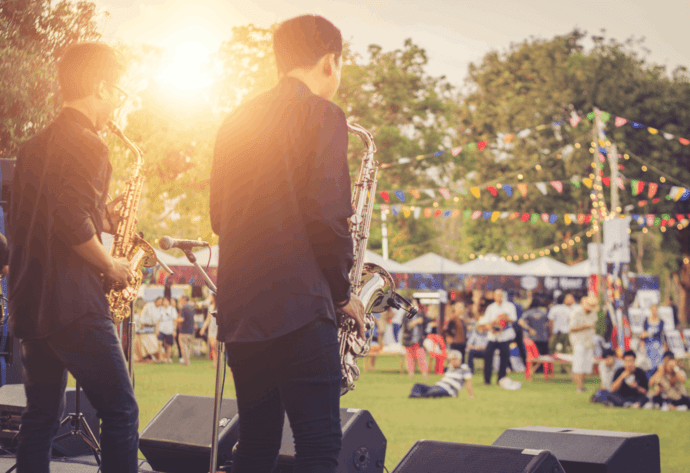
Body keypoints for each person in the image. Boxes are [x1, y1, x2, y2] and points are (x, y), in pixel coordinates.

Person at [210, 15, 366, 472]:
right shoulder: (323, 114)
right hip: (299, 309)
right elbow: (327, 216)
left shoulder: (234, 121)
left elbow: (218, 217)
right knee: (318, 443)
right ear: (330, 61)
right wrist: (343, 292)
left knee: (256, 444)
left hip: (241, 310)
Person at [7, 42, 139, 472]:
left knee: (40, 419)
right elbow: (68, 219)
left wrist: (105, 214)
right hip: (74, 304)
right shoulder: (90, 144)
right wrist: (111, 265)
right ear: (100, 87)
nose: (117, 104)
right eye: (116, 92)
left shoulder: (31, 148)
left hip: (31, 304)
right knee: (120, 412)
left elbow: (44, 215)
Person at [479, 288, 518, 386]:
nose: (499, 297)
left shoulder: (509, 306)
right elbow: (485, 320)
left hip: (504, 335)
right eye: (497, 295)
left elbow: (513, 319)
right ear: (494, 296)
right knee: (487, 355)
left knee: (504, 357)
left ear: (503, 296)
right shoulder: (491, 307)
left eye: (501, 295)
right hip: (492, 335)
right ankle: (487, 380)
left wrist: (504, 318)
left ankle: (501, 379)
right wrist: (490, 326)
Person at [409, 351, 474, 399]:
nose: (452, 361)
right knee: (417, 385)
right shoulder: (450, 368)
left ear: (460, 360)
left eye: (454, 359)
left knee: (430, 393)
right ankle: (415, 395)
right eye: (450, 359)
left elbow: (468, 381)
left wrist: (471, 395)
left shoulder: (464, 368)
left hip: (449, 390)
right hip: (438, 386)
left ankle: (420, 396)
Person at [569, 295, 598, 393]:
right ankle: (578, 386)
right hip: (578, 341)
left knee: (587, 364)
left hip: (589, 341)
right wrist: (584, 326)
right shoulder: (576, 312)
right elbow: (571, 328)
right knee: (579, 363)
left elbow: (594, 324)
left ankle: (581, 385)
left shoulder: (593, 313)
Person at [402, 304, 429, 379]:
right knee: (409, 358)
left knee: (421, 357)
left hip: (419, 340)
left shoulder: (420, 315)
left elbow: (426, 323)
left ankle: (424, 373)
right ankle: (411, 373)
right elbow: (406, 327)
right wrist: (416, 322)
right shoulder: (406, 316)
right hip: (409, 340)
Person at [640, 304, 667, 378]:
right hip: (648, 345)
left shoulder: (660, 321)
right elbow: (643, 333)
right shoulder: (646, 320)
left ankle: (657, 377)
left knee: (658, 362)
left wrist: (649, 335)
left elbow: (660, 334)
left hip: (657, 345)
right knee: (648, 362)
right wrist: (642, 342)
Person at [134, 297, 163, 363]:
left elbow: (157, 320)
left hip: (152, 327)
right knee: (143, 343)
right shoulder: (149, 305)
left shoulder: (160, 309)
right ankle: (142, 357)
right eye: (160, 301)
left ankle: (158, 358)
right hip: (145, 326)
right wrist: (142, 323)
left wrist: (157, 329)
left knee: (154, 344)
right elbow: (143, 314)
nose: (160, 303)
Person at [200, 293, 219, 367]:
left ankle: (218, 362)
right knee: (213, 347)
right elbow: (208, 319)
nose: (209, 298)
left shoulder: (219, 307)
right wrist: (203, 328)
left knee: (216, 346)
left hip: (218, 328)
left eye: (210, 297)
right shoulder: (210, 307)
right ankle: (215, 363)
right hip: (212, 328)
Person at [156, 297, 177, 364]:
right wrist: (157, 329)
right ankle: (160, 359)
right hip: (161, 328)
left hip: (169, 329)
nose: (165, 303)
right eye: (164, 301)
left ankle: (168, 359)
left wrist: (174, 330)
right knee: (159, 343)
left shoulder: (172, 309)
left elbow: (175, 320)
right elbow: (158, 320)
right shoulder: (160, 309)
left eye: (166, 301)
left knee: (168, 345)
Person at [176, 295, 195, 365]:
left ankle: (186, 361)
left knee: (184, 347)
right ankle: (187, 360)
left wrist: (175, 319)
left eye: (181, 300)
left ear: (184, 300)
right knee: (188, 346)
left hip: (184, 330)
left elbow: (182, 319)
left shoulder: (183, 308)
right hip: (191, 330)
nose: (180, 301)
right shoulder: (192, 307)